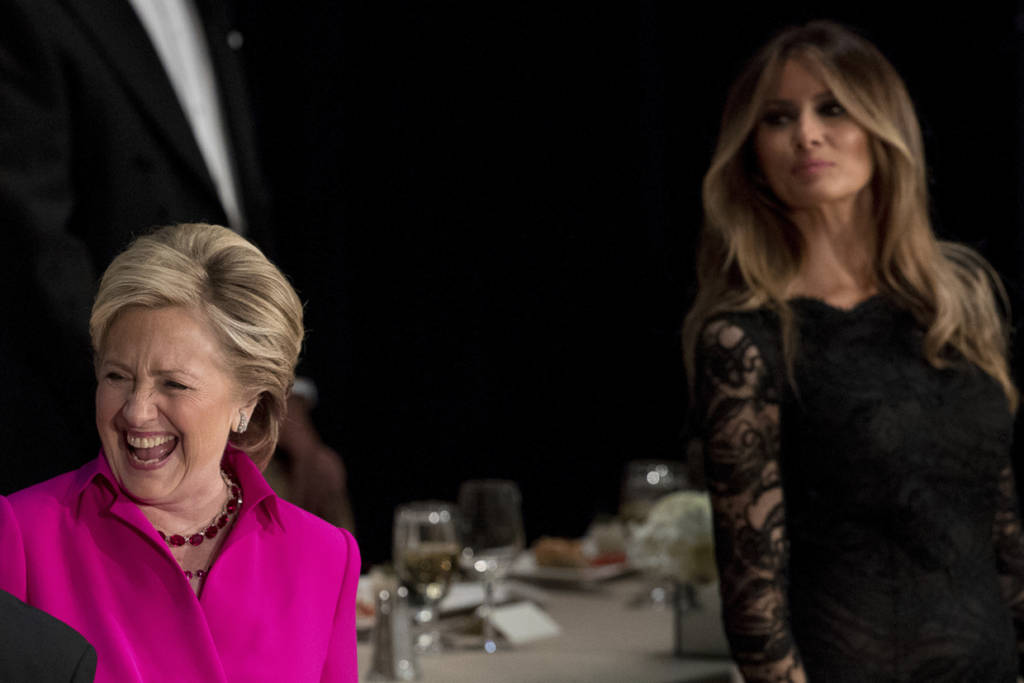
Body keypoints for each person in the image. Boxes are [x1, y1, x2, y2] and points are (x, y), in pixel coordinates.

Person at [682, 20, 1024, 682]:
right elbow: (754, 601)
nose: (807, 133)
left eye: (831, 107)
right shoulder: (746, 340)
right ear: (753, 153)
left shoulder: (956, 303)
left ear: (880, 126)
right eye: (779, 118)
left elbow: (1001, 526)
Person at [0, 0, 350, 530]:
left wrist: (280, 393)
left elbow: (235, 213)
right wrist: (158, 410)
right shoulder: (34, 13)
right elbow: (34, 249)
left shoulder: (215, 11)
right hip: (89, 448)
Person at [0, 224, 360, 682]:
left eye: (174, 384)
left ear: (247, 400)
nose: (136, 411)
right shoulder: (22, 535)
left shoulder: (324, 556)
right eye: (117, 377)